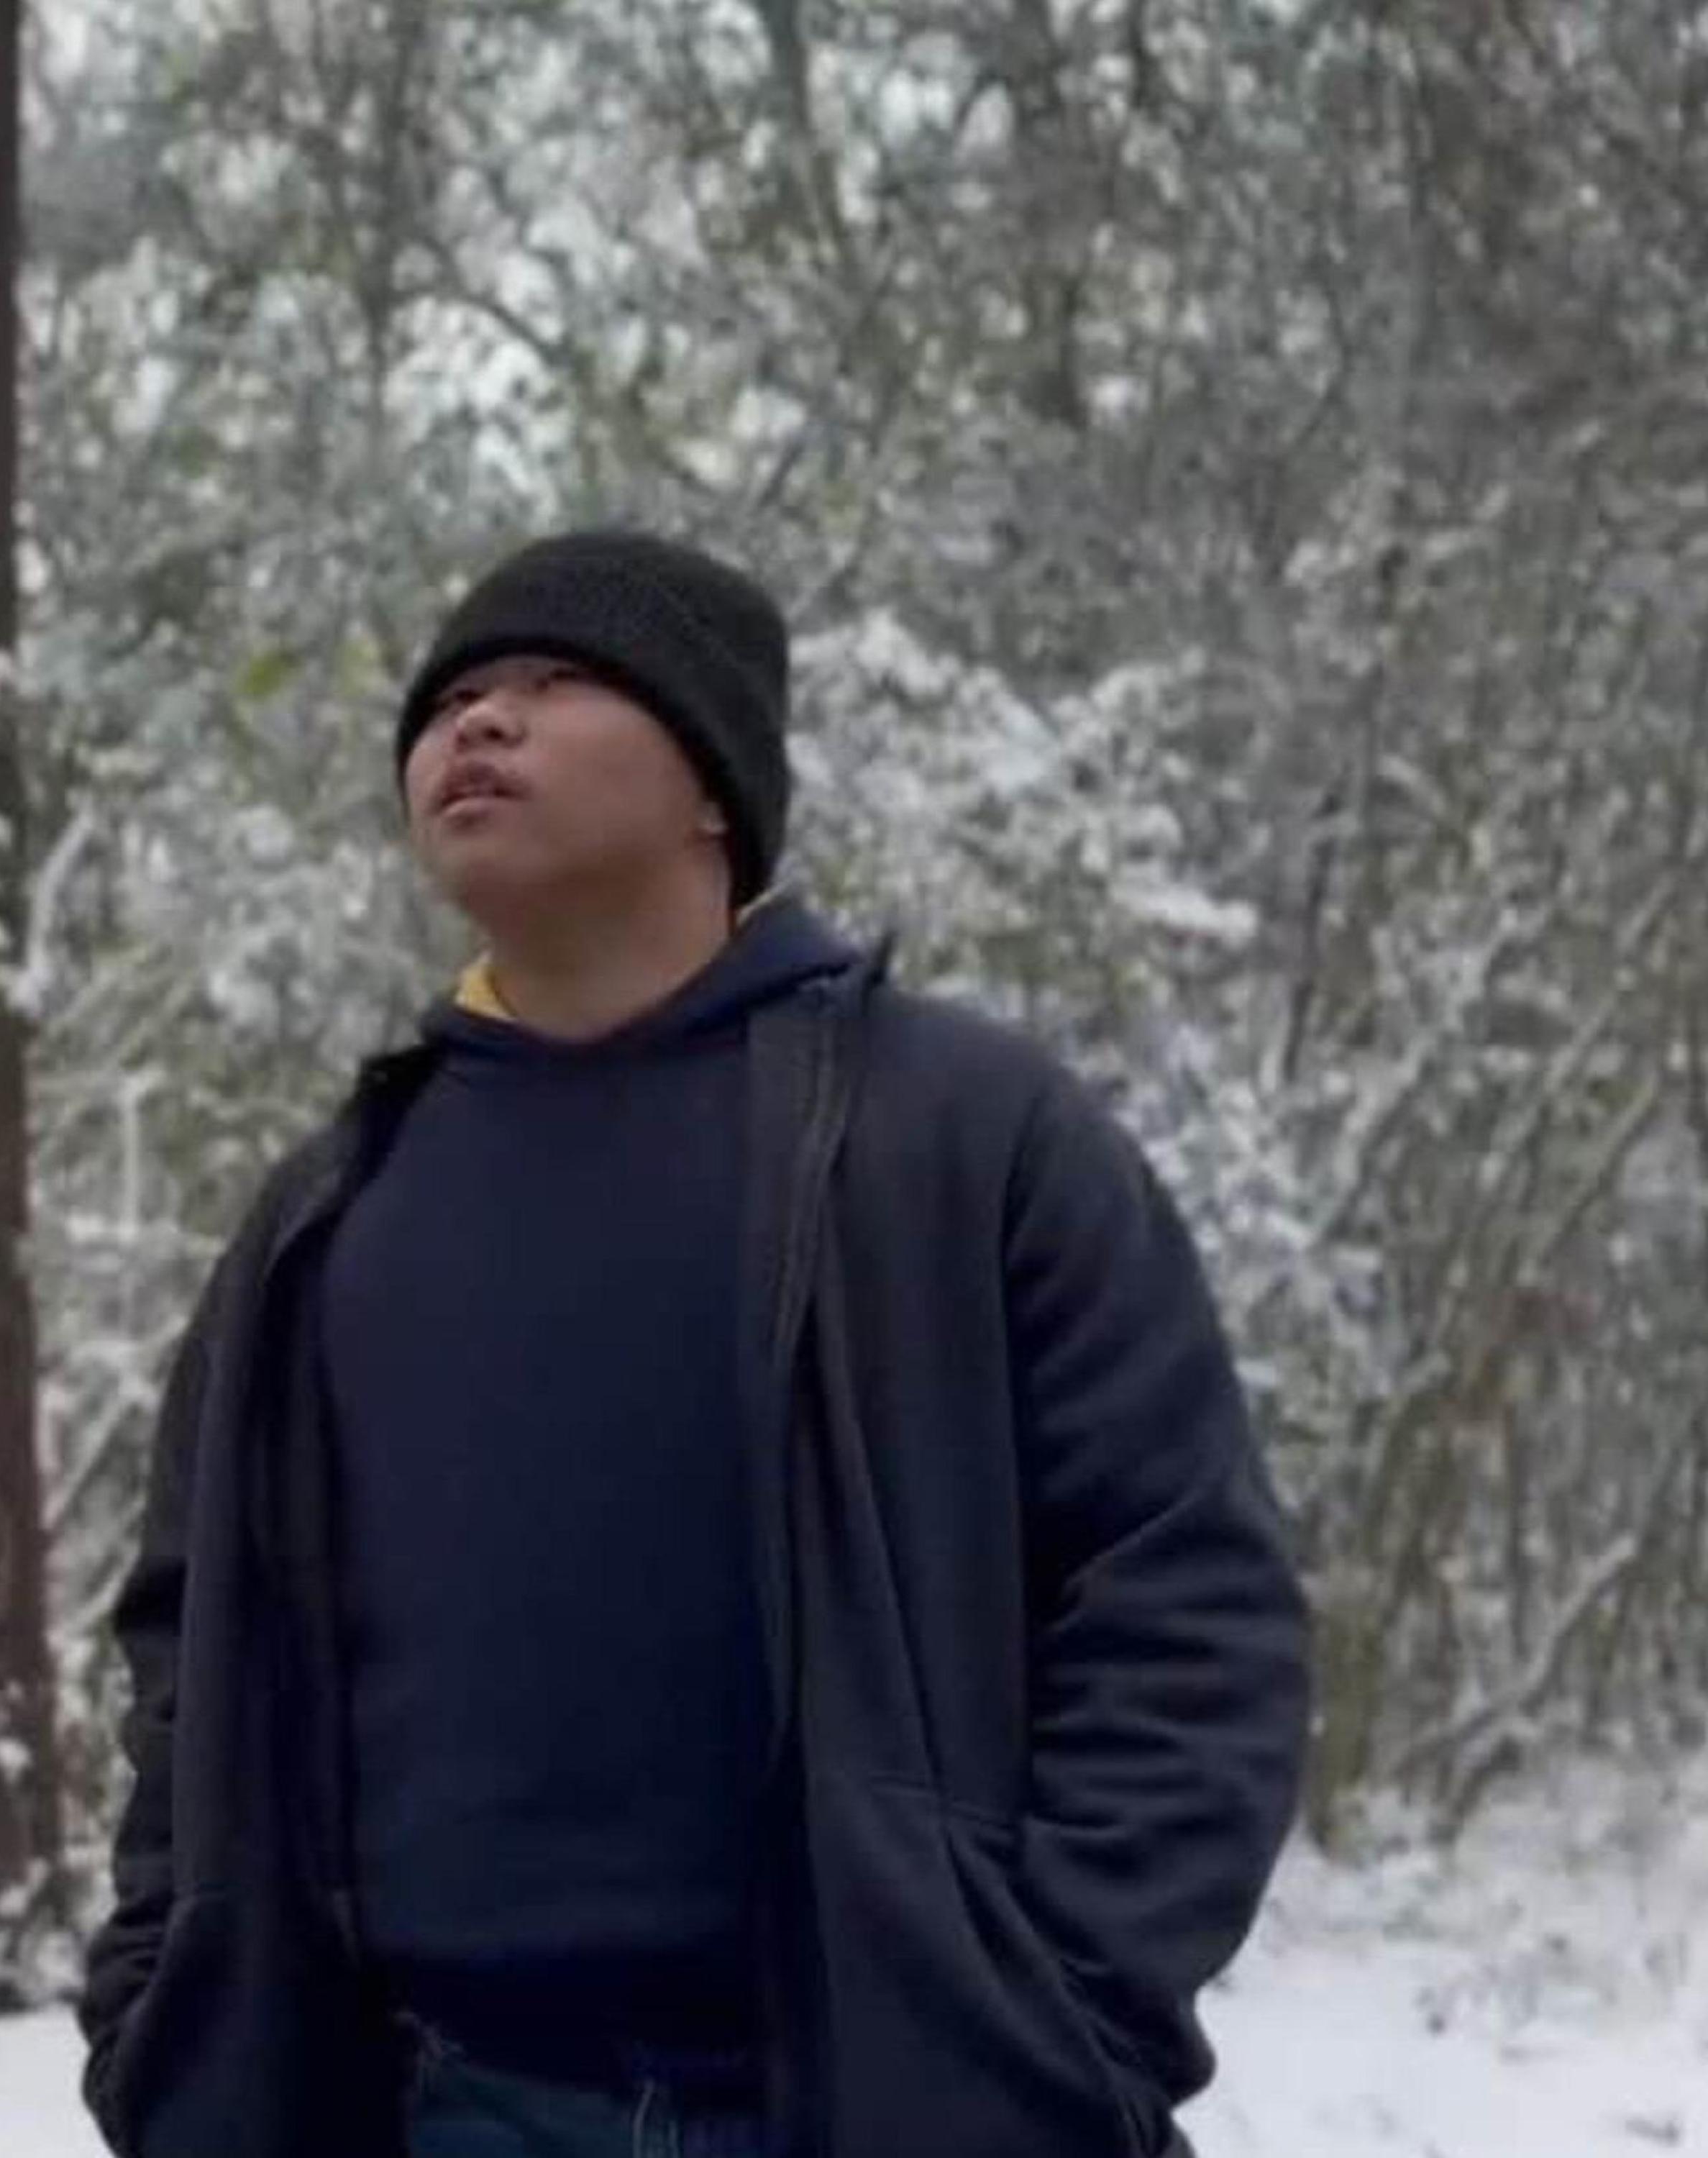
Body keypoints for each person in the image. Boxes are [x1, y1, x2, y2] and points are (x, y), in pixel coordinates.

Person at [78, 529, 1310, 2158]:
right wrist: (167, 2006)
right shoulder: (327, 1213)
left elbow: (1186, 1601)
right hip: (427, 2109)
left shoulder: (958, 1138)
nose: (478, 722)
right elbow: (188, 1648)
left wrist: (1048, 2032)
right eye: (449, 700)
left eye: (554, 681)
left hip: (872, 2112)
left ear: (714, 785)